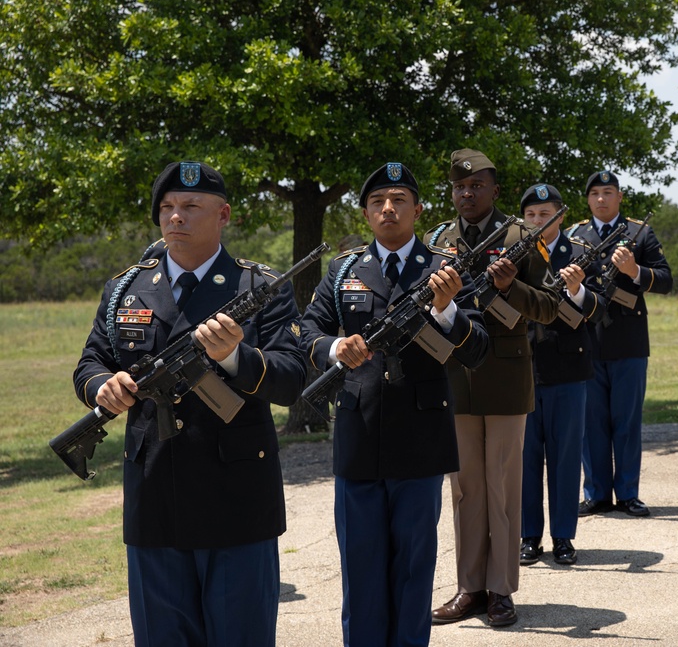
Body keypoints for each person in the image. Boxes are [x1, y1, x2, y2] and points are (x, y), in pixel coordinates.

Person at [73, 161, 306, 647]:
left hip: (236, 501)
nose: (175, 218)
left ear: (223, 215)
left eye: (190, 207)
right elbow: (90, 361)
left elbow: (294, 380)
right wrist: (102, 387)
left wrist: (236, 357)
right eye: (167, 208)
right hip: (155, 496)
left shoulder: (259, 288)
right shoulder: (124, 289)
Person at [299, 163, 489, 647]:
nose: (389, 208)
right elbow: (305, 330)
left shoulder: (443, 270)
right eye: (378, 201)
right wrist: (333, 349)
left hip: (422, 440)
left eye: (399, 199)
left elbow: (478, 348)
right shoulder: (342, 271)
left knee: (413, 567)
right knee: (361, 569)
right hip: (359, 437)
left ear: (419, 210)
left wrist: (446, 310)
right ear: (365, 213)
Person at [426, 149, 559, 628]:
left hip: (504, 379)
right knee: (465, 489)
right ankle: (470, 588)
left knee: (502, 488)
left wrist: (511, 289)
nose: (467, 193)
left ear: (495, 190)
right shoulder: (438, 240)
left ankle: (501, 589)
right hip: (456, 378)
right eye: (460, 187)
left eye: (477, 185)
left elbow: (549, 308)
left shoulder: (522, 239)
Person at [569, 170, 673, 518]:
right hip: (588, 341)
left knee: (627, 421)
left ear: (620, 197)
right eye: (595, 193)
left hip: (628, 342)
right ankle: (596, 493)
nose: (601, 199)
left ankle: (628, 493)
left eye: (608, 192)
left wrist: (633, 270)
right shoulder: (576, 235)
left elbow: (665, 280)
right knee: (591, 423)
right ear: (588, 199)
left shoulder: (638, 233)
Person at [518, 184, 605, 567]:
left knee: (566, 458)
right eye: (532, 215)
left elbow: (600, 309)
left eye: (545, 214)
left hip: (569, 370)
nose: (538, 221)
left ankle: (564, 537)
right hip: (522, 369)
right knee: (525, 459)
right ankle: (529, 536)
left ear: (561, 216)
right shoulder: (513, 254)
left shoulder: (583, 254)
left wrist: (578, 290)